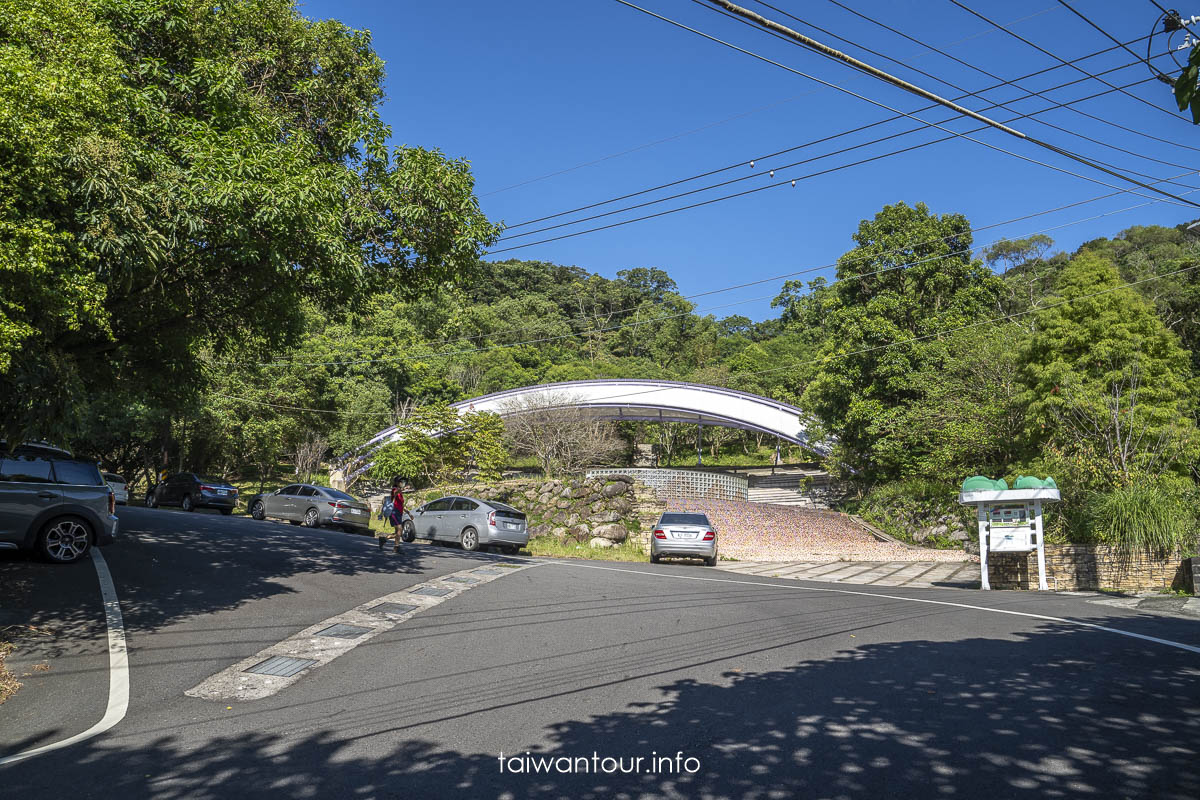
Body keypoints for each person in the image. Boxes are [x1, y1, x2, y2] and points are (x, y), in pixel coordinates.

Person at [387, 476, 406, 553]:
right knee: (400, 529)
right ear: (397, 483)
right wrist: (401, 490)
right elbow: (395, 493)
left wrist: (408, 512)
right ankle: (396, 547)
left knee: (397, 532)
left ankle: (384, 539)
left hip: (399, 513)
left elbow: (400, 504)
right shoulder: (394, 490)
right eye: (401, 482)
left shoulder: (400, 492)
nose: (402, 483)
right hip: (394, 512)